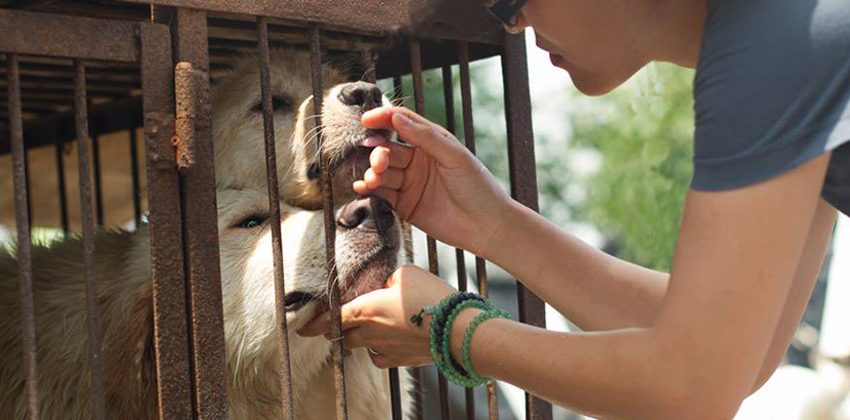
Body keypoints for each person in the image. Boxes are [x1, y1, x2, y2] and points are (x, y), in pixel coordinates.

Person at [298, 0, 850, 417]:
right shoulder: (791, 27)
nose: (509, 23)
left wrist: (452, 329)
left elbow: (692, 387)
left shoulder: (777, 44)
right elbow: (737, 351)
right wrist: (494, 223)